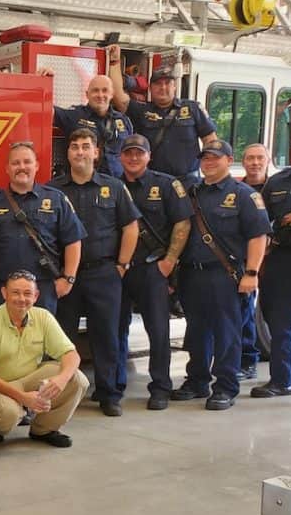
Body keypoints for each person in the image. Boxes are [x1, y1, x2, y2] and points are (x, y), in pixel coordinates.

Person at [171, 140, 270, 410]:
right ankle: (198, 380)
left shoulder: (244, 195)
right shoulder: (191, 193)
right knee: (197, 331)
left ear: (228, 160)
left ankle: (226, 387)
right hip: (192, 274)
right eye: (205, 158)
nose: (209, 162)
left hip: (225, 277)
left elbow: (258, 236)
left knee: (227, 334)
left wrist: (251, 273)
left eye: (215, 158)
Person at [51, 128, 140, 416]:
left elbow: (130, 227)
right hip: (67, 277)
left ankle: (109, 393)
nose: (79, 151)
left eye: (85, 146)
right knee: (62, 336)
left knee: (106, 335)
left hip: (104, 272)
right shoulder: (54, 190)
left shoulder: (113, 187)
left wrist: (123, 264)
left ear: (96, 152)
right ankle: (62, 393)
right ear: (68, 153)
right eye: (74, 146)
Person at [115, 134, 193, 410]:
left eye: (139, 153)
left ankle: (160, 387)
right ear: (120, 157)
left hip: (152, 268)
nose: (133, 158)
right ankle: (115, 385)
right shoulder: (113, 185)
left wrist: (169, 261)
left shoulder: (167, 184)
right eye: (128, 153)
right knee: (116, 329)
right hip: (121, 269)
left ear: (148, 156)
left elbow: (183, 223)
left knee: (158, 331)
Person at [0, 270, 88, 447]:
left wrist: (61, 379)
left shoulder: (42, 316)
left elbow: (71, 354)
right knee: (8, 415)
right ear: (4, 293)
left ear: (36, 296)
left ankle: (43, 429)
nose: (21, 298)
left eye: (27, 293)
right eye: (15, 292)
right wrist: (22, 398)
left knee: (77, 379)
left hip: (29, 378)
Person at [0, 142, 86, 313]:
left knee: (39, 339)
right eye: (16, 163)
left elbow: (73, 240)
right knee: (1, 339)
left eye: (27, 162)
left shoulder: (56, 199)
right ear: (7, 168)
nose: (22, 167)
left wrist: (68, 279)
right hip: (1, 288)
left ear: (36, 166)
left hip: (42, 288)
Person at [107, 45, 218, 182]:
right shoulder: (142, 111)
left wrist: (212, 174)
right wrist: (114, 62)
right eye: (158, 84)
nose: (163, 87)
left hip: (188, 183)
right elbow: (118, 96)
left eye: (167, 83)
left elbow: (211, 141)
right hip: (153, 183)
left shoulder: (193, 109)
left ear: (174, 86)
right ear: (151, 88)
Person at [252, 133, 291, 398]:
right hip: (283, 258)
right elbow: (261, 220)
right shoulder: (277, 182)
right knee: (278, 320)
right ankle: (282, 380)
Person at [38, 71, 134, 178]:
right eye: (95, 90)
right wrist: (42, 83)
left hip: (115, 186)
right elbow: (45, 111)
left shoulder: (123, 121)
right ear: (87, 94)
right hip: (82, 185)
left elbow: (129, 154)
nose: (100, 95)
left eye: (105, 90)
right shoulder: (74, 115)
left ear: (112, 94)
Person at [237, 143, 271, 381]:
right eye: (250, 158)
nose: (255, 163)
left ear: (268, 161)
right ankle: (247, 360)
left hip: (276, 260)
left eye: (260, 158)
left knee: (274, 315)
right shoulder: (236, 188)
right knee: (245, 312)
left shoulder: (278, 187)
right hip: (244, 260)